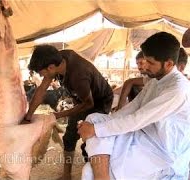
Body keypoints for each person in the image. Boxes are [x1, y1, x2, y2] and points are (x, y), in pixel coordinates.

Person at [78, 32, 190, 180]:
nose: (145, 66)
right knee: (94, 118)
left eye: (150, 62)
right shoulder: (155, 80)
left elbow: (137, 119)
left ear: (169, 64)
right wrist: (100, 125)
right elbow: (134, 107)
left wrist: (95, 130)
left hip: (162, 152)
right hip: (141, 137)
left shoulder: (178, 89)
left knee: (88, 171)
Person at [23, 45, 113, 179]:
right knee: (69, 137)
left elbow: (89, 103)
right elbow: (42, 89)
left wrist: (58, 115)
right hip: (81, 100)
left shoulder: (79, 75)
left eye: (41, 73)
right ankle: (67, 175)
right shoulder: (58, 58)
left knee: (91, 140)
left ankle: (95, 174)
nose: (41, 76)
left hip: (99, 101)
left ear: (51, 68)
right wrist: (28, 116)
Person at [116, 48, 188, 110]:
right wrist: (120, 108)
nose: (141, 67)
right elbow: (129, 82)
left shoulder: (180, 87)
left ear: (181, 67)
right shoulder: (154, 79)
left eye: (142, 63)